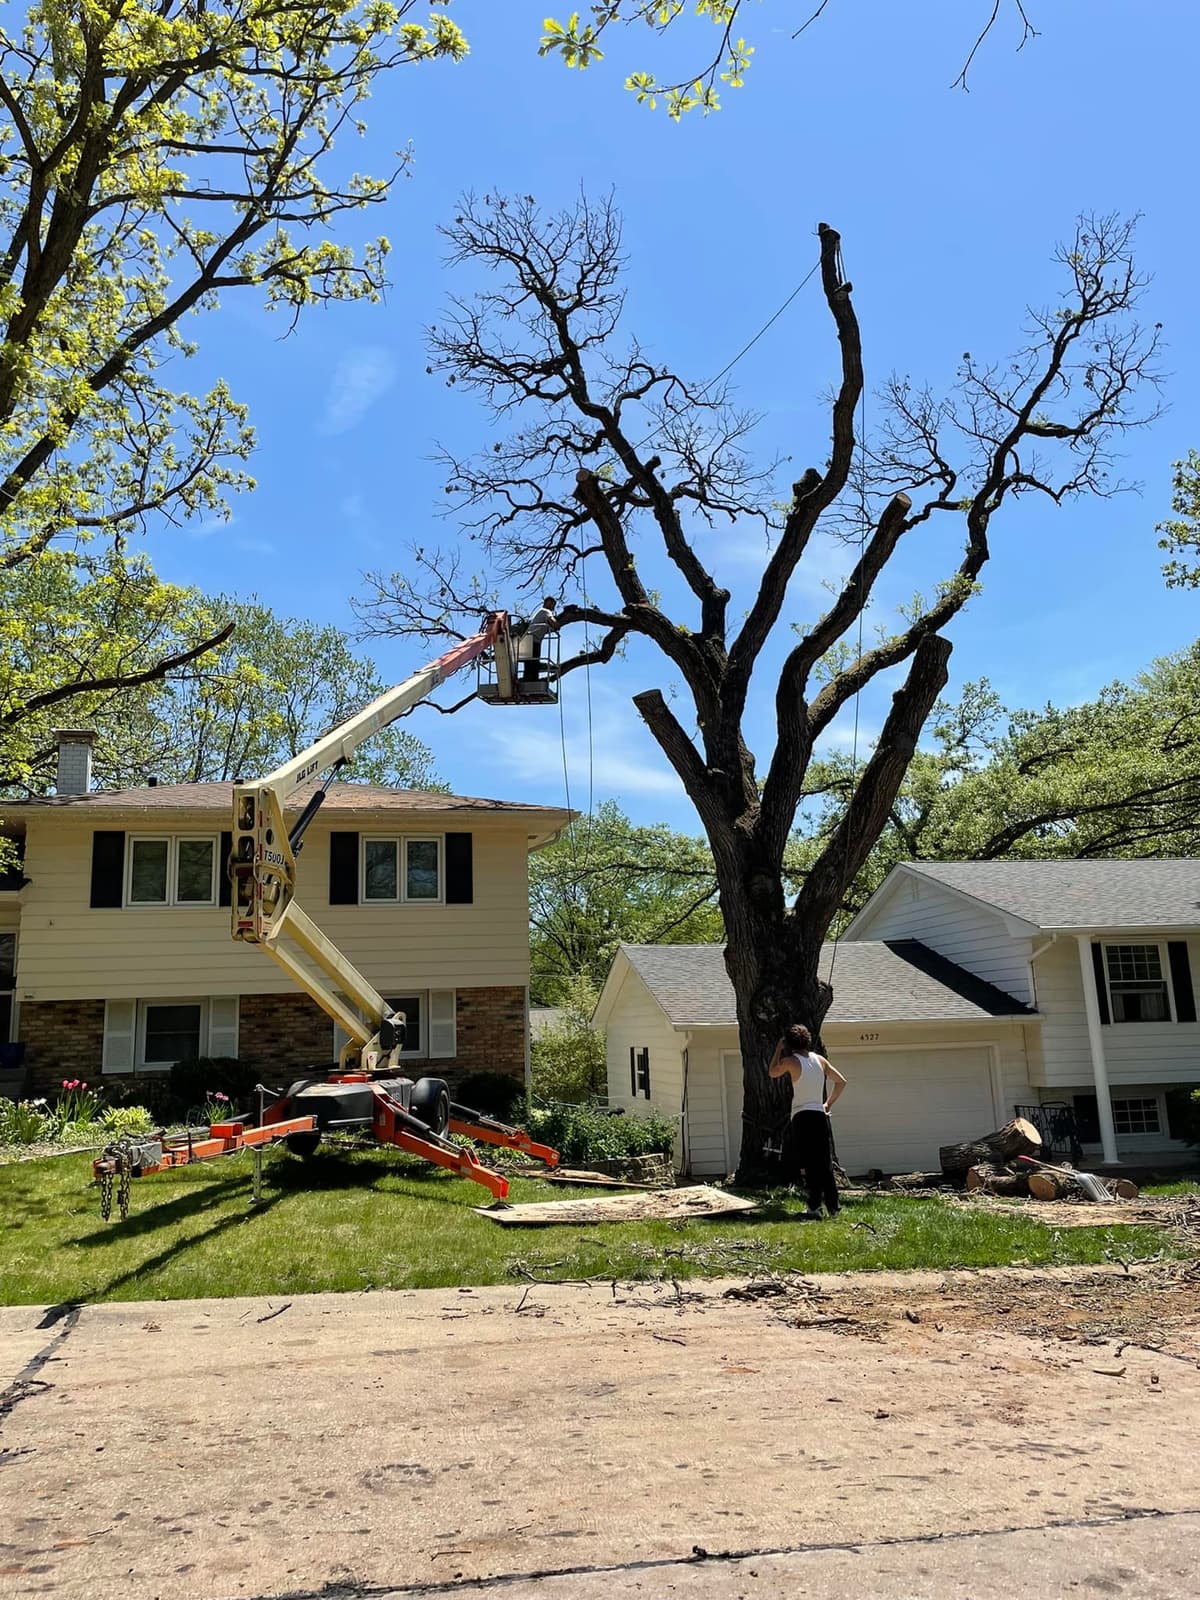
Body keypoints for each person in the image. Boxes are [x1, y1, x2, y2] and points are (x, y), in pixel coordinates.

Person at [768, 1023, 847, 1217]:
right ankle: (834, 1207)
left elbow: (772, 1072)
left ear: (789, 1043)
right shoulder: (819, 1060)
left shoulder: (790, 1061)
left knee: (809, 1164)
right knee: (824, 1162)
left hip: (802, 1116)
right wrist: (827, 1104)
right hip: (819, 1114)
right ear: (807, 1041)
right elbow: (841, 1081)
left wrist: (777, 1050)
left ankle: (814, 1207)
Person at [522, 596, 557, 681]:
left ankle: (528, 680)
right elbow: (554, 623)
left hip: (528, 640)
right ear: (548, 602)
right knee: (533, 662)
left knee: (530, 664)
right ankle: (533, 680)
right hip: (533, 640)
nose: (553, 608)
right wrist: (556, 625)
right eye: (553, 604)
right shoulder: (545, 611)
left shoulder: (540, 613)